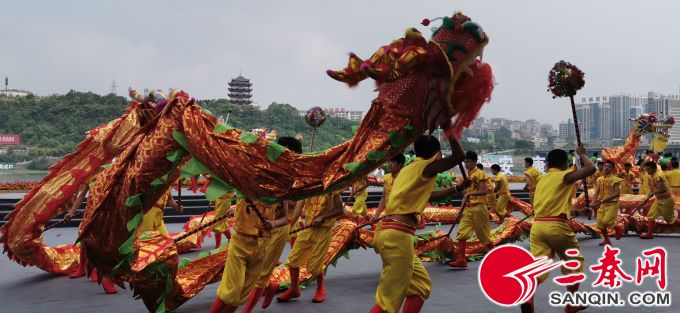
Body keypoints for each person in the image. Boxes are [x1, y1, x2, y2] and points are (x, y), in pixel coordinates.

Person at [369, 134, 466, 313]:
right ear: (435, 154)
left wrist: (457, 188)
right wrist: (450, 130)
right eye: (440, 154)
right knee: (387, 303)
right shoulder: (426, 166)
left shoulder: (409, 169)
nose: (441, 158)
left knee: (421, 286)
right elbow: (459, 156)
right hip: (398, 236)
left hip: (392, 234)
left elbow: (431, 195)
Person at [520, 145, 595, 313]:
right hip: (556, 226)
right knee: (573, 262)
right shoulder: (564, 176)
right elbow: (591, 168)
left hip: (538, 226)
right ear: (564, 163)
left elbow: (553, 204)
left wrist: (578, 212)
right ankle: (572, 302)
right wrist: (582, 155)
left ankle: (528, 293)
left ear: (547, 164)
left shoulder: (542, 179)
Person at [242, 136, 304, 312]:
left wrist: (281, 197)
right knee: (253, 267)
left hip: (282, 227)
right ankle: (271, 286)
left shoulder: (297, 177)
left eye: (286, 150)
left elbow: (296, 203)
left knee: (262, 272)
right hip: (262, 226)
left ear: (294, 153)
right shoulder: (272, 171)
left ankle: (247, 309)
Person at [208, 198, 289, 313]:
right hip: (240, 242)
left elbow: (284, 218)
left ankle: (268, 286)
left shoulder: (280, 193)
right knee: (231, 290)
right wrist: (236, 208)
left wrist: (274, 222)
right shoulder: (245, 185)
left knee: (243, 294)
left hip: (263, 245)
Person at [276, 190, 345, 304]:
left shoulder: (332, 189)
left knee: (314, 267)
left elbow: (340, 210)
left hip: (323, 231)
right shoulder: (310, 186)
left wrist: (322, 217)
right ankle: (294, 289)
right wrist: (290, 226)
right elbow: (299, 207)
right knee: (293, 261)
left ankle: (320, 288)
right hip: (307, 229)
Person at [63, 178, 118, 294]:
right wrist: (71, 212)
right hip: (90, 213)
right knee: (83, 237)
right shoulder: (91, 176)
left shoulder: (114, 170)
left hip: (107, 212)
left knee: (103, 240)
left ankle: (100, 271)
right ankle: (82, 268)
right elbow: (81, 196)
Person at [447, 151, 494, 269]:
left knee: (483, 236)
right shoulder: (468, 176)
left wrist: (470, 194)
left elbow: (484, 190)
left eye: (468, 161)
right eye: (465, 161)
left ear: (474, 162)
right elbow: (465, 194)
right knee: (462, 233)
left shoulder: (479, 174)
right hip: (468, 209)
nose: (465, 164)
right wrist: (460, 210)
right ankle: (462, 259)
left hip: (479, 208)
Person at [639, 161, 677, 239]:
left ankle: (649, 233)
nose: (648, 171)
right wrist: (647, 198)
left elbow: (662, 189)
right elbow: (652, 189)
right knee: (651, 216)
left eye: (649, 169)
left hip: (666, 200)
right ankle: (649, 234)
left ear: (655, 169)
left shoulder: (658, 176)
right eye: (646, 170)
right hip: (658, 200)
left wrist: (653, 193)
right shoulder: (651, 177)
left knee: (670, 220)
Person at [589, 160, 623, 246]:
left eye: (609, 167)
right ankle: (607, 240)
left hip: (612, 205)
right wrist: (592, 203)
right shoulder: (600, 179)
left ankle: (618, 227)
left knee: (606, 221)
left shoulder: (615, 179)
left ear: (612, 169)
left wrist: (605, 199)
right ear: (603, 167)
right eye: (605, 166)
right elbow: (597, 192)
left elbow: (617, 193)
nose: (606, 168)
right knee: (600, 224)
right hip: (603, 204)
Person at [373, 154, 407, 222]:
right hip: (389, 214)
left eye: (393, 162)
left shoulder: (405, 178)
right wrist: (375, 216)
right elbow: (384, 199)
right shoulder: (386, 177)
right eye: (389, 162)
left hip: (401, 216)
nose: (389, 164)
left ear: (400, 164)